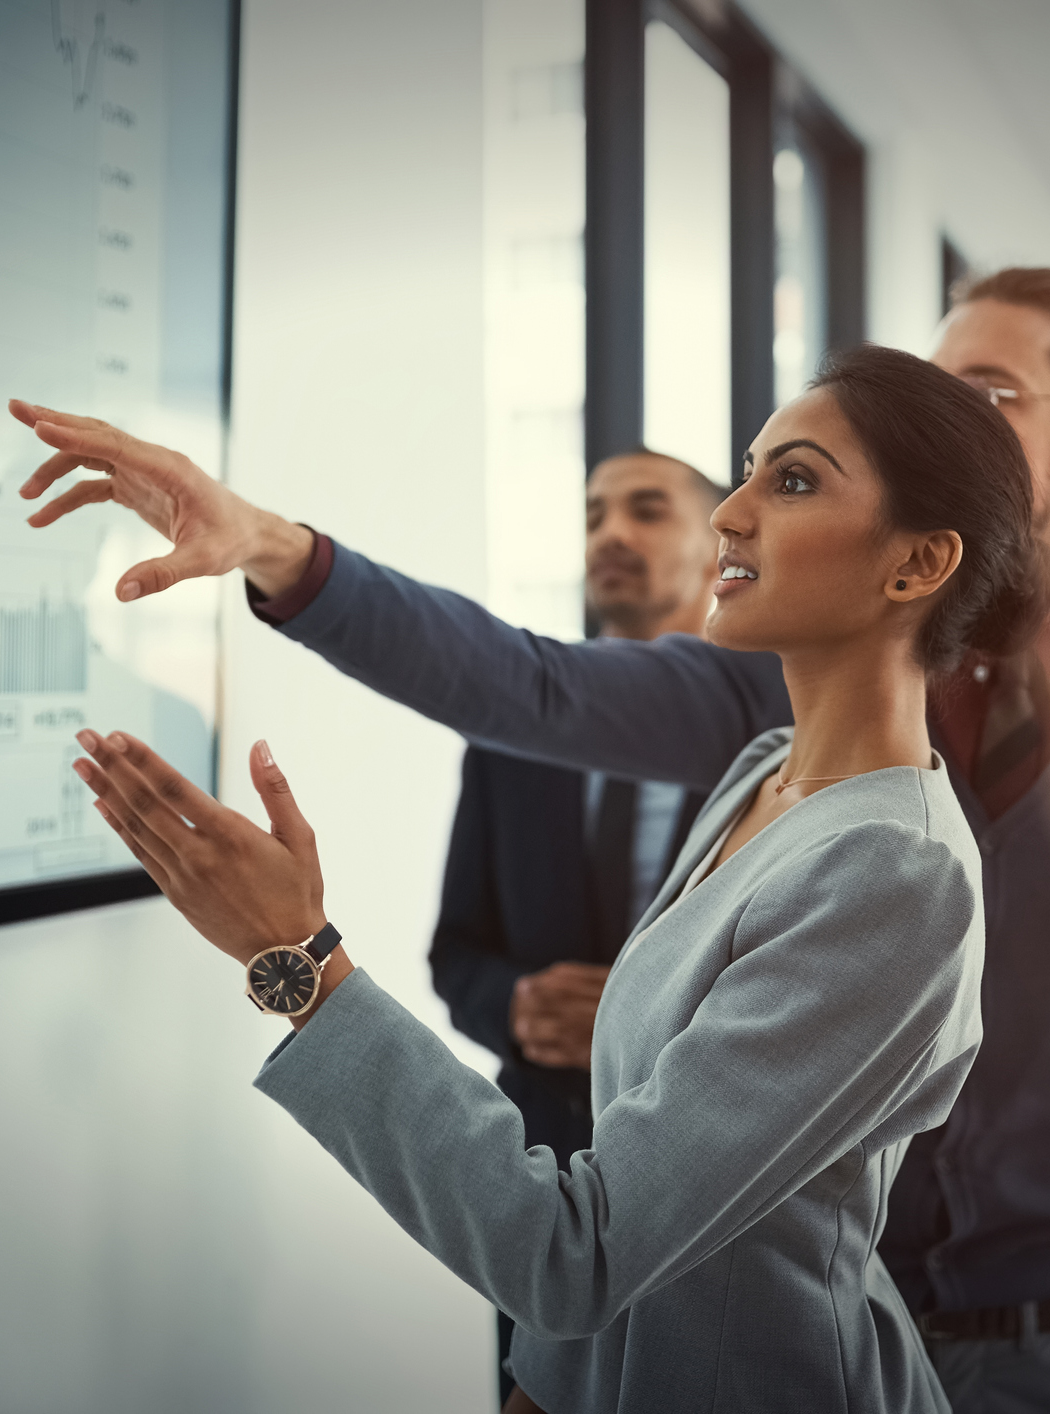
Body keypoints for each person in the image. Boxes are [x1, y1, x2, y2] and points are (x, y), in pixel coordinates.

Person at [7, 267, 1050, 1414]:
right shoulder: (762, 749)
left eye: (983, 385)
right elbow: (528, 688)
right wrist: (274, 547)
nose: (726, 517)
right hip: (818, 1318)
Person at [431, 450, 719, 1402]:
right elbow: (456, 951)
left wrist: (650, 1014)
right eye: (595, 513)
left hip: (713, 1192)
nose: (610, 535)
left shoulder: (781, 734)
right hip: (538, 1181)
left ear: (721, 546)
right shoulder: (511, 736)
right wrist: (512, 1005)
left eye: (645, 510)